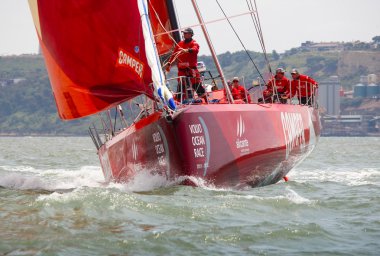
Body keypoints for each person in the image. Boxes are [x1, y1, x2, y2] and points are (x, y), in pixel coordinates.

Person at [165, 28, 205, 100]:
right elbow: (174, 54)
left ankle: (205, 99)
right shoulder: (180, 44)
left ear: (190, 34)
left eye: (186, 33)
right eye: (184, 33)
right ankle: (179, 101)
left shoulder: (194, 43)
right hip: (182, 70)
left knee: (196, 85)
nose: (184, 34)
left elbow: (195, 49)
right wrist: (169, 63)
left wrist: (187, 50)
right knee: (181, 86)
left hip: (191, 69)